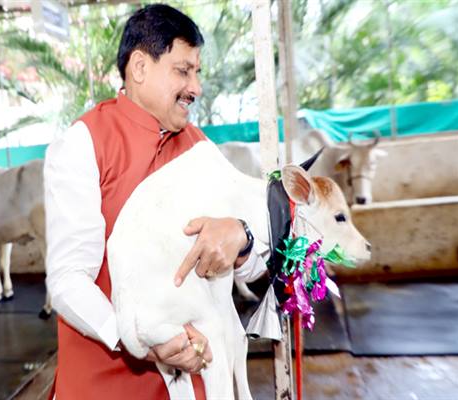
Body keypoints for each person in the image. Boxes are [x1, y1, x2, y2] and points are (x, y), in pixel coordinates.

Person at [44, 4, 266, 399]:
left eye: (197, 72)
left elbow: (254, 266)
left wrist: (242, 239)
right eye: (183, 71)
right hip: (107, 383)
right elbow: (68, 280)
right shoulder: (84, 143)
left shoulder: (199, 147)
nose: (196, 88)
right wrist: (140, 340)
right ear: (140, 67)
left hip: (193, 382)